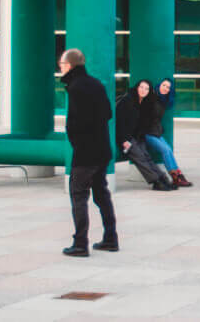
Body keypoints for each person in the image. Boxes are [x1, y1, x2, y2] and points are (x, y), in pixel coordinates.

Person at [60, 48, 118, 256]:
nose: (60, 68)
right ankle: (111, 238)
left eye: (62, 65)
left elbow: (76, 123)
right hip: (102, 150)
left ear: (69, 65)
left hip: (85, 153)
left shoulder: (75, 87)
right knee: (102, 194)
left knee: (78, 195)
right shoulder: (96, 84)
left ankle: (80, 243)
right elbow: (108, 113)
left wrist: (76, 141)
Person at [114, 80, 173, 191]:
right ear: (137, 87)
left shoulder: (143, 103)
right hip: (125, 137)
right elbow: (120, 123)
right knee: (140, 158)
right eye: (141, 87)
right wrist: (124, 140)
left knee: (146, 156)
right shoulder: (127, 101)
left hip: (136, 136)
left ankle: (162, 177)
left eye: (146, 89)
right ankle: (155, 181)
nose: (143, 90)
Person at [143, 77, 192, 187]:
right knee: (165, 150)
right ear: (159, 85)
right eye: (164, 85)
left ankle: (179, 176)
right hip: (147, 133)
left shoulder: (163, 101)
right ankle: (175, 177)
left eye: (168, 87)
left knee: (169, 150)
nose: (165, 88)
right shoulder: (151, 98)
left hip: (156, 132)